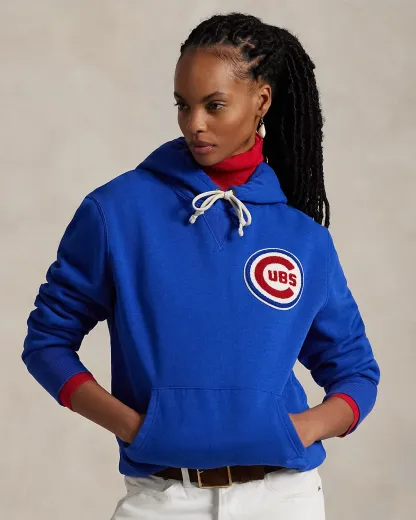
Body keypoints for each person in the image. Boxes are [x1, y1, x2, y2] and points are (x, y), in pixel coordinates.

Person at [22, 12, 380, 520]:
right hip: (164, 500)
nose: (195, 123)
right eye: (183, 105)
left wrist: (295, 430)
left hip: (284, 500)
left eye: (214, 105)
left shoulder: (303, 237)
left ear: (261, 101)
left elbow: (356, 372)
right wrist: (135, 427)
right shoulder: (116, 212)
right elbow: (47, 343)